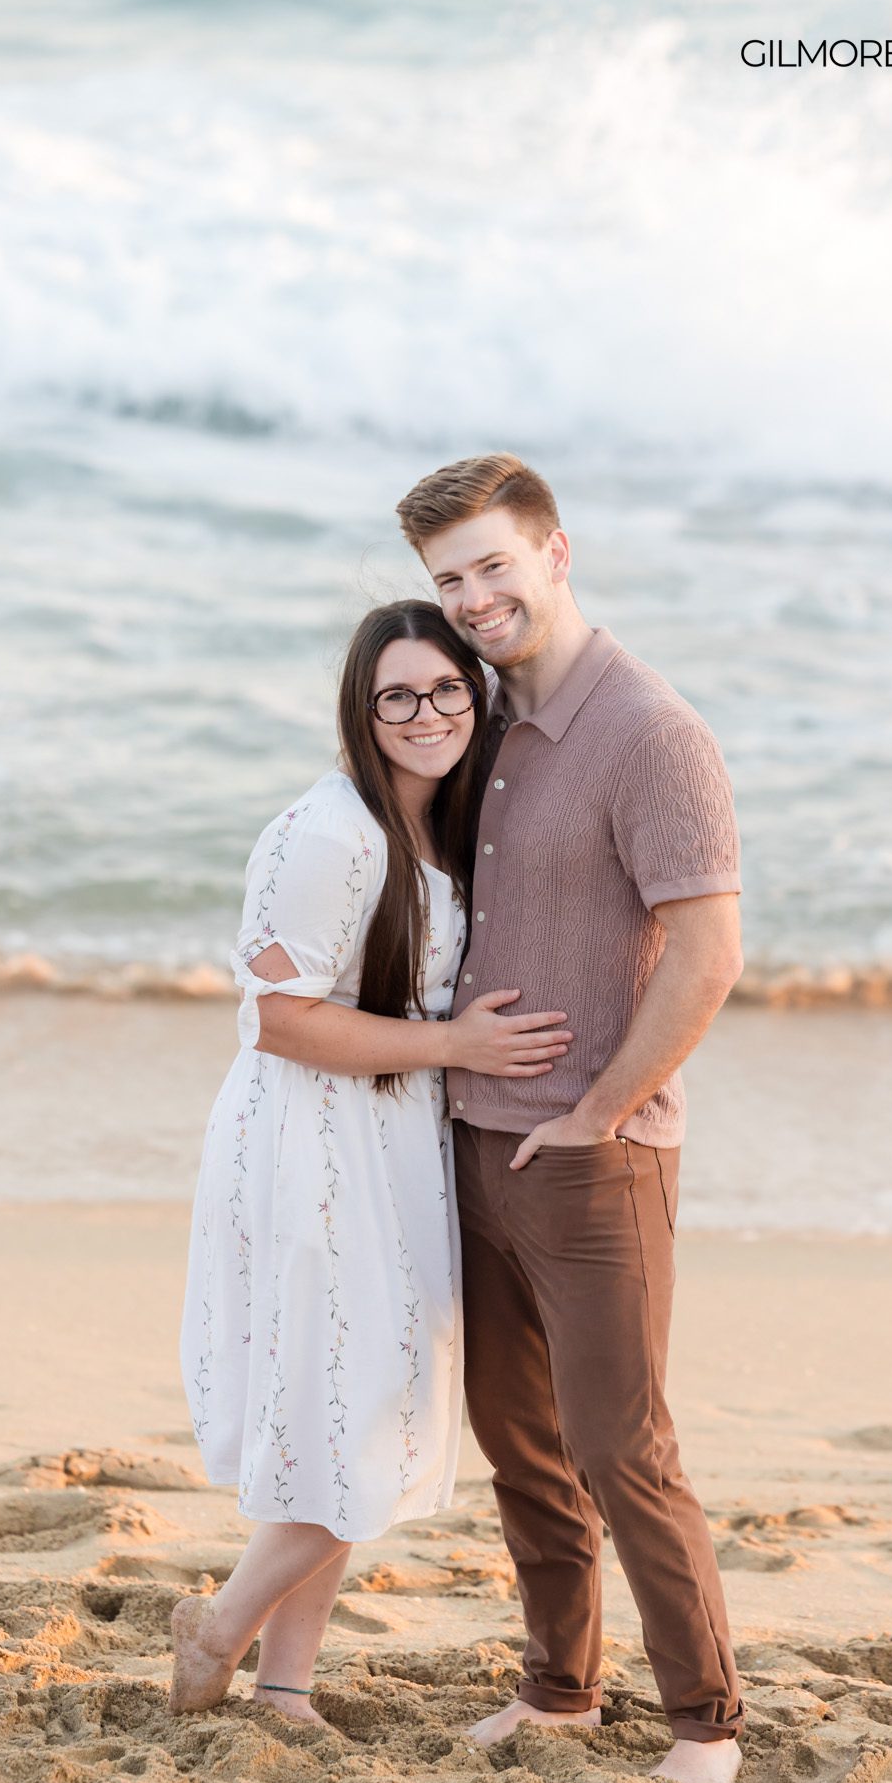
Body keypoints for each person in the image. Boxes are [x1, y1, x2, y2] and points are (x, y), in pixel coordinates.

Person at [396, 455, 746, 1783]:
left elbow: (708, 954)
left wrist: (600, 1113)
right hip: (474, 1139)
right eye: (448, 580)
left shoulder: (652, 732)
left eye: (495, 565)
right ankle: (558, 1692)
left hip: (599, 1156)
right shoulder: (480, 723)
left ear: (554, 552)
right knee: (520, 1442)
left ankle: (706, 1723)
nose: (475, 599)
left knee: (622, 1447)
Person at [170, 600, 573, 1719]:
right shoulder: (328, 834)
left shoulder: (439, 824)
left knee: (346, 1407)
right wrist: (456, 1044)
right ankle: (220, 1627)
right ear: (364, 704)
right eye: (399, 694)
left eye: (448, 688)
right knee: (350, 1416)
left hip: (387, 1139)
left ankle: (285, 1686)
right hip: (310, 1140)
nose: (428, 712)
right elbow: (280, 1019)